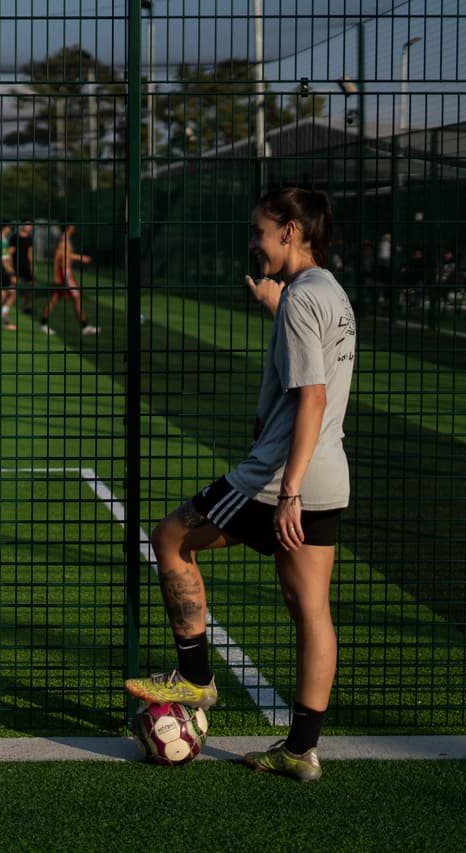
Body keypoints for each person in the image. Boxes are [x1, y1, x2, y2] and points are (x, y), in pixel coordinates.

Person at [124, 188, 356, 783]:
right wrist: (275, 309)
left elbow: (312, 396)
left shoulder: (304, 300)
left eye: (260, 231)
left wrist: (291, 491)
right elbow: (317, 364)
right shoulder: (329, 293)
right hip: (331, 472)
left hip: (278, 477)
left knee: (170, 537)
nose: (252, 242)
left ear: (291, 230)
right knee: (310, 610)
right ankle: (300, 750)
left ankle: (197, 681)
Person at [40, 224, 98, 336]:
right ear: (69, 227)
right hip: (65, 274)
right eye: (73, 226)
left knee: (56, 298)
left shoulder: (65, 239)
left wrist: (80, 257)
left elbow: (66, 255)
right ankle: (84, 326)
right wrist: (56, 275)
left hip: (65, 272)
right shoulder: (63, 240)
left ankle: (43, 323)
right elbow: (57, 257)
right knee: (76, 297)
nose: (75, 227)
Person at [11, 221, 37, 316]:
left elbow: (30, 253)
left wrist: (32, 265)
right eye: (27, 225)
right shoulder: (15, 237)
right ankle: (8, 306)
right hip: (15, 266)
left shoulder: (29, 238)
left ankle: (26, 307)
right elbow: (11, 252)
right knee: (11, 287)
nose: (29, 227)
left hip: (25, 266)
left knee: (32, 286)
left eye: (30, 225)